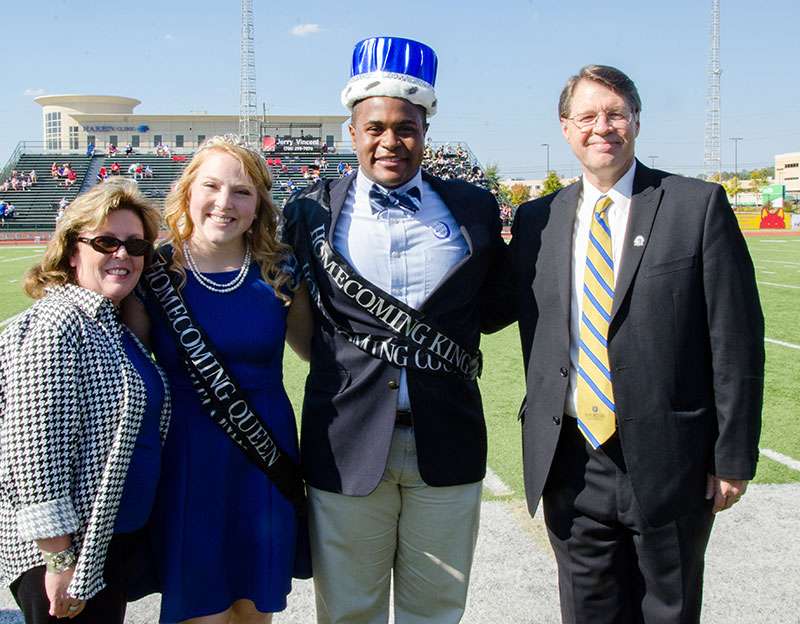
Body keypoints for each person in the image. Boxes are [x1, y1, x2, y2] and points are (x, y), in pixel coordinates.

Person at [505, 64, 764, 623]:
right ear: (566, 127)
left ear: (637, 122)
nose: (603, 127)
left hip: (673, 460)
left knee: (668, 613)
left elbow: (736, 340)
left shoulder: (695, 205)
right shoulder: (536, 220)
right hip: (571, 459)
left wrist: (733, 456)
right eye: (588, 116)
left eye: (616, 113)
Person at [282, 37, 508, 624]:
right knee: (347, 611)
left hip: (448, 438)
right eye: (375, 127)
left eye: (405, 127)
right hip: (345, 441)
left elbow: (491, 308)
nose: (390, 141)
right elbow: (303, 330)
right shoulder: (309, 211)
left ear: (425, 130)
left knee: (435, 611)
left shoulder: (474, 208)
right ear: (352, 132)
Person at [123, 134, 313, 624]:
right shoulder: (154, 271)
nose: (224, 203)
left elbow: (317, 353)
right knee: (200, 608)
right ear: (187, 191)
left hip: (265, 454)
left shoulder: (281, 269)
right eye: (211, 185)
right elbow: (130, 365)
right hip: (188, 457)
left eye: (242, 191)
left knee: (254, 608)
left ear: (258, 206)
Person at [0, 178, 170, 623]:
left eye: (135, 246)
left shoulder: (108, 322)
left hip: (105, 543)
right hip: (60, 553)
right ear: (73, 251)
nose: (123, 255)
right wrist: (58, 559)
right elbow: (35, 455)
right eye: (106, 241)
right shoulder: (60, 322)